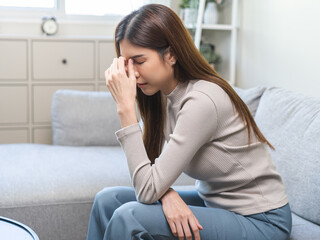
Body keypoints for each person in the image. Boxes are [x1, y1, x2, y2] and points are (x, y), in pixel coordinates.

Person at [86, 3, 292, 240]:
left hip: (261, 220)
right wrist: (167, 194)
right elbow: (153, 180)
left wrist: (125, 109)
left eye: (139, 61)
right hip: (215, 205)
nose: (132, 74)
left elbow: (147, 190)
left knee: (129, 216)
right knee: (107, 200)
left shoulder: (201, 101)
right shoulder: (164, 96)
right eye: (126, 63)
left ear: (171, 54)